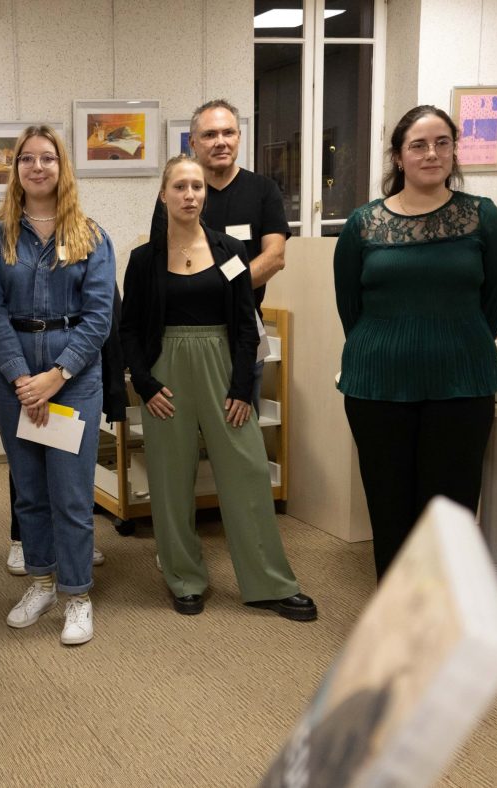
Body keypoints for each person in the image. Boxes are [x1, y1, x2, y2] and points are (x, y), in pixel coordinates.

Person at [120, 155, 316, 621]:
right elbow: (128, 329)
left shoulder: (229, 251)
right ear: (163, 195)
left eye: (197, 187)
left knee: (248, 472)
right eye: (180, 187)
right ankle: (184, 578)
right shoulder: (144, 260)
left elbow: (247, 325)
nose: (190, 195)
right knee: (170, 479)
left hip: (223, 368)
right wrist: (145, 384)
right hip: (166, 375)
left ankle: (269, 582)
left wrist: (242, 387)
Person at [334, 105, 497, 579]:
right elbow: (350, 307)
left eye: (442, 143)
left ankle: (443, 615)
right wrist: (386, 348)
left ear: (454, 151)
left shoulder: (483, 218)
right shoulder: (363, 224)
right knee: (390, 510)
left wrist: (456, 342)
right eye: (418, 145)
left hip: (461, 384)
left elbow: (496, 302)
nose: (431, 153)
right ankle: (397, 614)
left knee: (450, 515)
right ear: (398, 156)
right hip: (377, 387)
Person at [0, 124, 115, 646]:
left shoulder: (91, 236)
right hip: (14, 382)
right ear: (16, 169)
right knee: (30, 493)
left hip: (72, 381)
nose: (37, 167)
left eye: (47, 158)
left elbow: (99, 318)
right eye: (27, 159)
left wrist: (56, 377)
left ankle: (77, 595)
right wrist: (21, 379)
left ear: (62, 167)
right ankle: (41, 584)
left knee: (71, 494)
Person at [150, 99, 290, 410]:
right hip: (182, 335)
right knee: (184, 428)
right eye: (210, 134)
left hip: (242, 333)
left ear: (239, 137)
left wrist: (219, 289)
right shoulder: (178, 194)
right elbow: (159, 261)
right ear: (193, 142)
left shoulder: (263, 190)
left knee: (238, 427)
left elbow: (275, 256)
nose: (221, 141)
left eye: (228, 133)